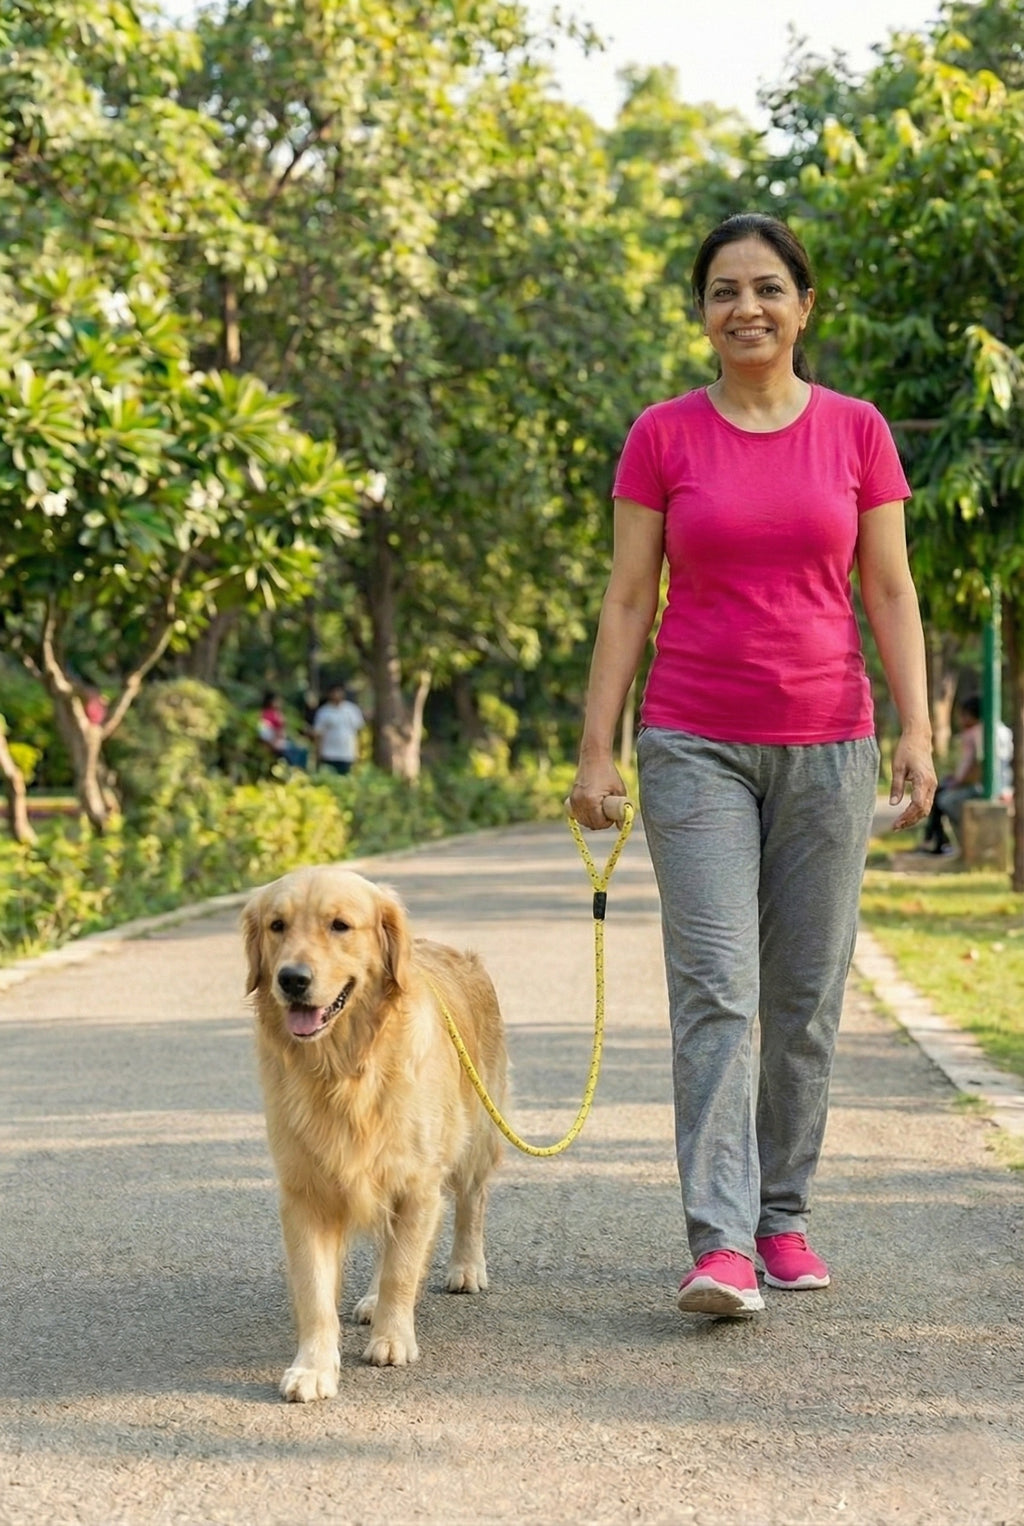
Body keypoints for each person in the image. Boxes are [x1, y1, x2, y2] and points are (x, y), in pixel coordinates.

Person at [569, 212, 936, 1319]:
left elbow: (888, 591)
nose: (747, 308)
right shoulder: (662, 435)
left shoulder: (858, 431)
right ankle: (720, 1240)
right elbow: (630, 595)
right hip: (693, 742)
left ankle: (782, 1212)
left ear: (803, 306)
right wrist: (597, 745)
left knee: (807, 994)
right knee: (717, 990)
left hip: (830, 743)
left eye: (768, 288)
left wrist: (914, 729)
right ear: (700, 312)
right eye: (724, 290)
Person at [919, 694, 1012, 854]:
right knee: (940, 792)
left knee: (944, 800)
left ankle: (964, 841)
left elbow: (979, 766)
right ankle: (937, 839)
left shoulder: (982, 732)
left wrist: (958, 783)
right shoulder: (1002, 729)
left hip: (986, 788)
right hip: (1004, 785)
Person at [312, 683, 364, 775]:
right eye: (334, 692)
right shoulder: (323, 712)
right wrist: (318, 754)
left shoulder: (352, 710)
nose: (336, 694)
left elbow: (359, 732)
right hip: (328, 754)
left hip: (347, 754)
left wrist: (359, 753)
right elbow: (318, 734)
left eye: (339, 692)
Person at [257, 691, 308, 769]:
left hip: (282, 741)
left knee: (303, 749)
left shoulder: (278, 713)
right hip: (274, 742)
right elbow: (265, 732)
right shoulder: (266, 714)